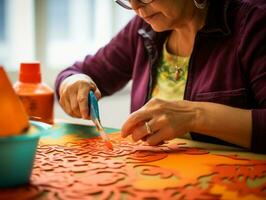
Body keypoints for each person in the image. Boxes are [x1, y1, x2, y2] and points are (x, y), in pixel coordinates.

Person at [55, 0, 266, 153]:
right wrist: (72, 83)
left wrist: (194, 116)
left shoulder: (253, 23)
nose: (136, 7)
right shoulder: (143, 29)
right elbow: (76, 73)